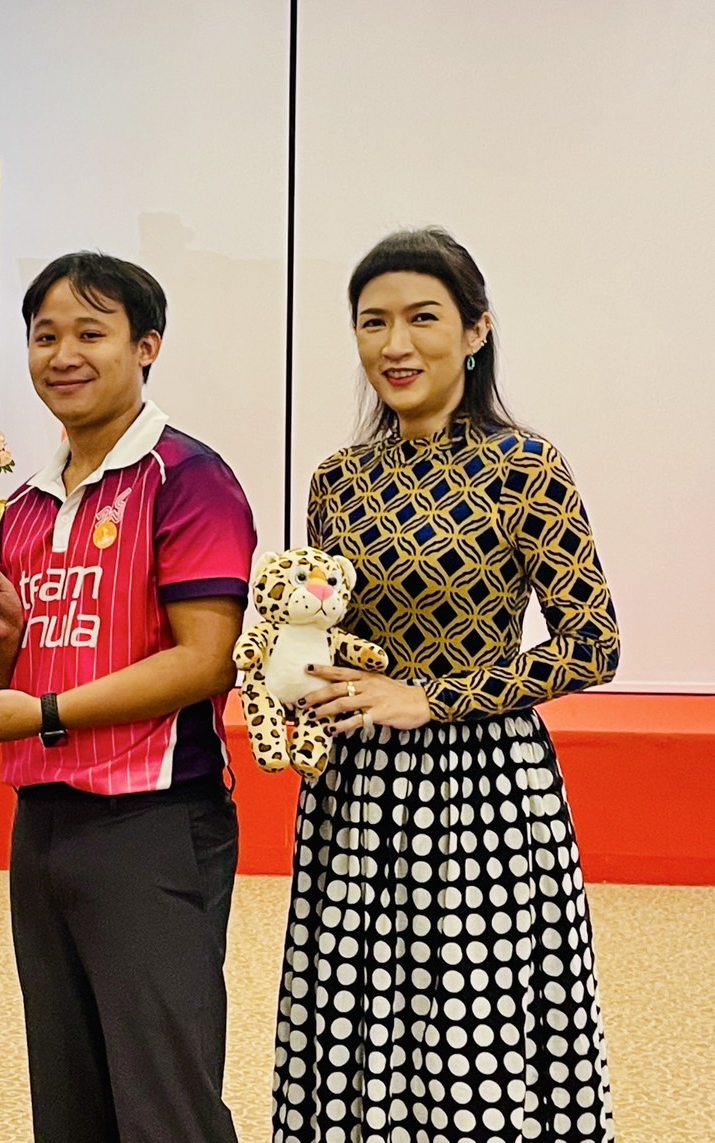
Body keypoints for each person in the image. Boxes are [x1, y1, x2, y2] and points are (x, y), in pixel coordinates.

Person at [274, 227, 620, 1143]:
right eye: (372, 322)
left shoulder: (524, 466)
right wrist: (289, 674)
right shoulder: (336, 480)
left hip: (486, 789)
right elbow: (327, 626)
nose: (395, 344)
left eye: (422, 318)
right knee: (353, 1015)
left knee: (474, 1021)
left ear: (475, 331)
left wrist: (433, 695)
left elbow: (592, 645)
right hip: (355, 788)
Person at [0, 252, 257, 1142]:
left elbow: (205, 660)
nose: (63, 355)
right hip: (41, 821)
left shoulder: (188, 479)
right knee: (68, 1096)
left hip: (152, 820)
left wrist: (43, 712)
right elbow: (18, 665)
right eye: (45, 336)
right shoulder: (24, 506)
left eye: (89, 333)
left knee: (164, 1100)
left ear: (146, 346)